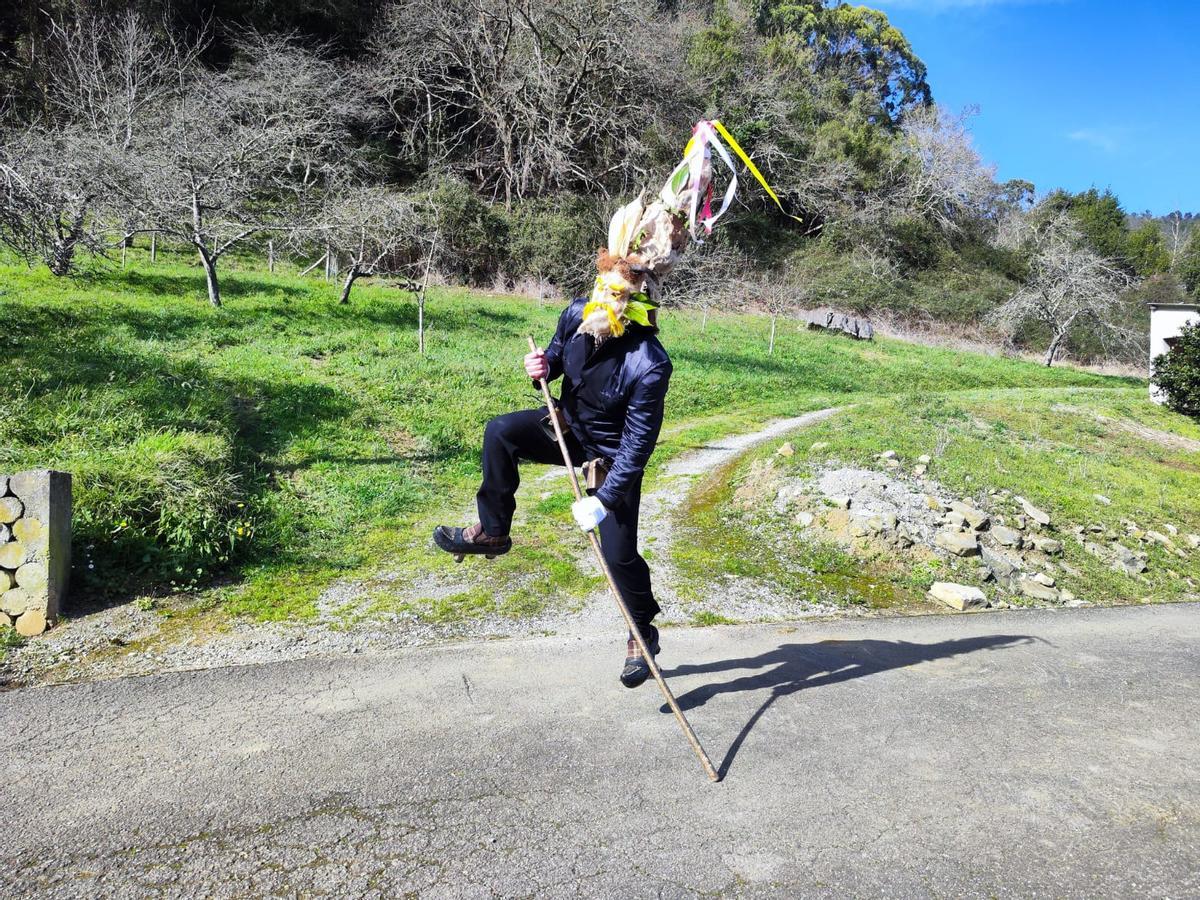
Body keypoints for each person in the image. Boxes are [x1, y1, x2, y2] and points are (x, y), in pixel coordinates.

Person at [434, 258, 671, 688]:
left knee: (618, 555)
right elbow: (558, 358)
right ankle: (493, 530)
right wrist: (541, 367)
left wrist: (603, 500)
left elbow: (638, 447)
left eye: (616, 296)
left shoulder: (649, 363)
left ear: (638, 304)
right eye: (602, 288)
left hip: (613, 458)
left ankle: (642, 631)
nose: (603, 301)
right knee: (501, 432)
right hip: (568, 429)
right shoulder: (578, 314)